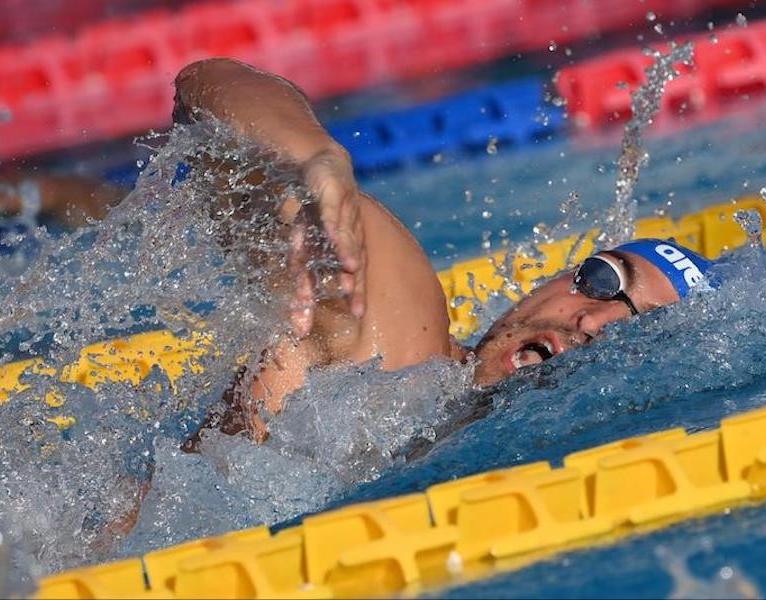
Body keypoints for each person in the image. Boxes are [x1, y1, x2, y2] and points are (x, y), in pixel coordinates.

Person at [172, 58, 718, 441]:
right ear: (547, 285)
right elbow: (208, 84)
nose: (597, 324)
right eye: (605, 281)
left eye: (640, 328)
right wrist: (315, 157)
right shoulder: (397, 345)